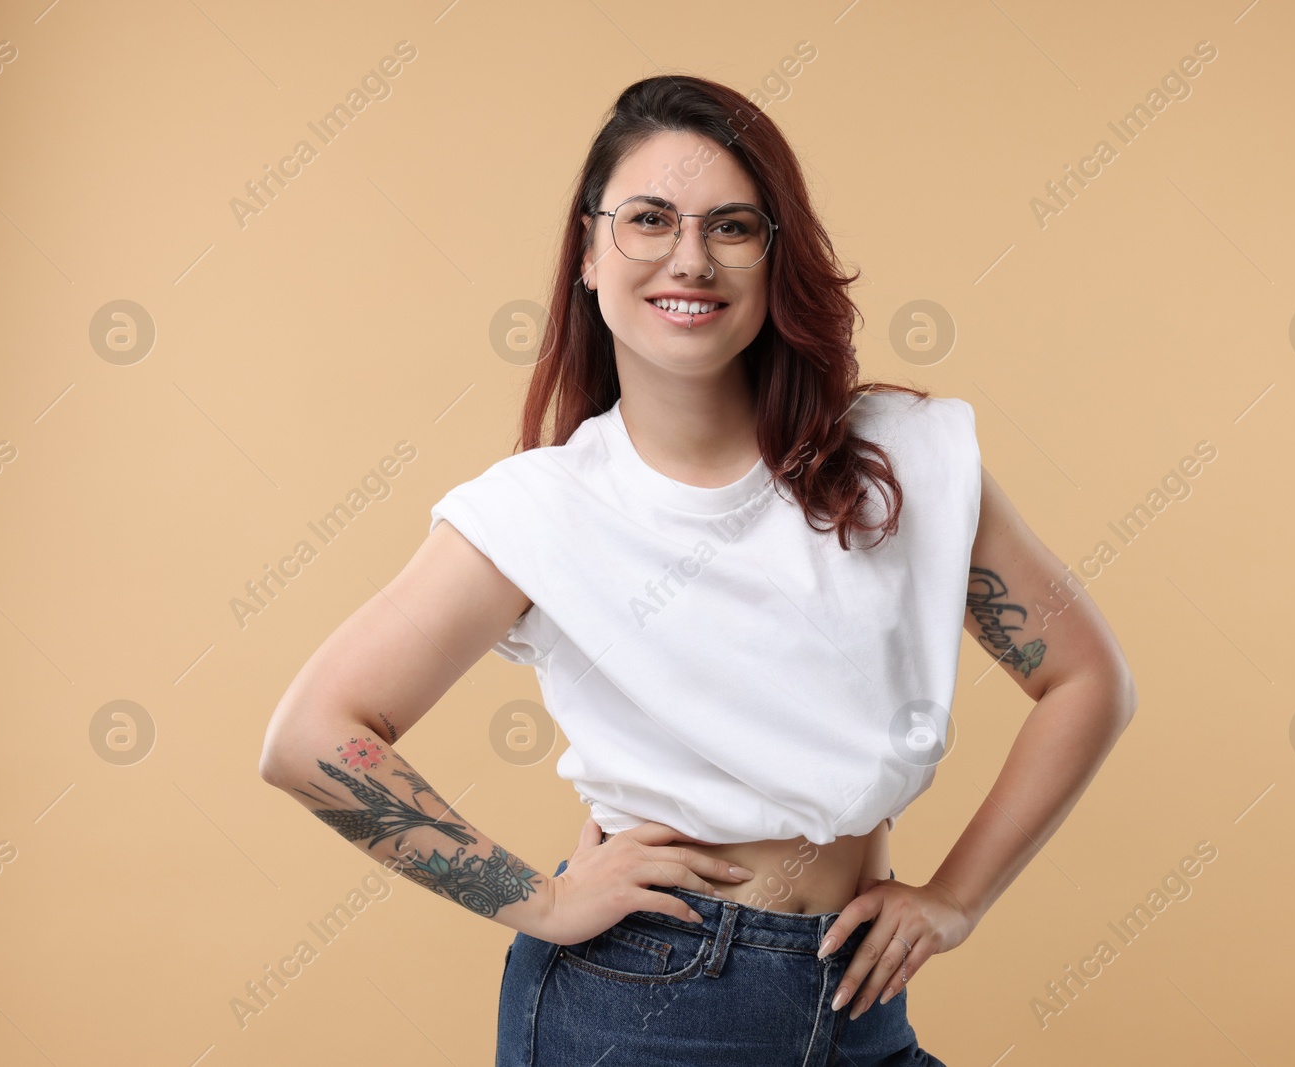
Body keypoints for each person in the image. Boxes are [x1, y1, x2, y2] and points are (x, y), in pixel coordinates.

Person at [258, 74, 1136, 1066]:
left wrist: (953, 898)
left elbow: (1086, 677)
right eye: (647, 219)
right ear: (588, 253)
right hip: (642, 999)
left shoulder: (901, 461)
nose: (689, 256)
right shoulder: (538, 508)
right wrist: (541, 899)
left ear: (775, 256)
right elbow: (311, 738)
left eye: (731, 225)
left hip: (854, 994)